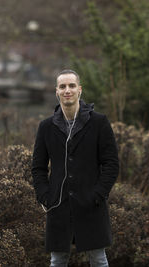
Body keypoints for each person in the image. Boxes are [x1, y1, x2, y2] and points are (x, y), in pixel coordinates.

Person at [31, 69, 119, 266]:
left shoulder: (99, 123)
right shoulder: (46, 127)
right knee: (57, 261)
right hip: (58, 205)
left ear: (80, 90)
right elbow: (38, 167)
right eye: (62, 86)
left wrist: (98, 194)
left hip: (91, 205)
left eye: (71, 86)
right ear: (57, 92)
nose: (67, 90)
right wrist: (45, 195)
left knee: (98, 260)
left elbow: (112, 163)